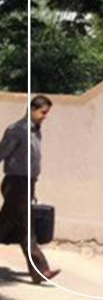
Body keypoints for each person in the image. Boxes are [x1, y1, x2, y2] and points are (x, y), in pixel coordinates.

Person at [0, 95, 59, 284]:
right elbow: (2, 152)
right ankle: (40, 270)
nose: (45, 116)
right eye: (43, 112)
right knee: (27, 229)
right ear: (32, 110)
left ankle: (38, 272)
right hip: (16, 184)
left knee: (8, 227)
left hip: (27, 184)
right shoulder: (17, 130)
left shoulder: (35, 131)